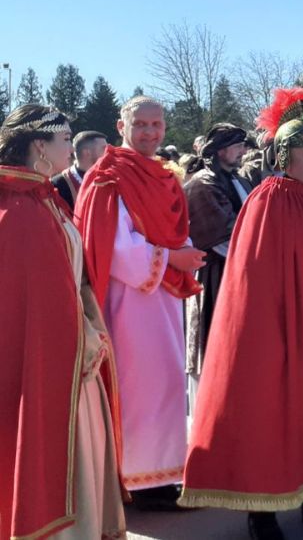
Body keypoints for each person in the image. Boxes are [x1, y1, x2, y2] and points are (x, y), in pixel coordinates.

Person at [180, 93, 303, 538]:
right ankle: (261, 513)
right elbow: (254, 281)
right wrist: (274, 336)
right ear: (285, 157)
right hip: (282, 337)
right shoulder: (269, 202)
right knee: (271, 418)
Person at [74, 96, 205, 510]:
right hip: (129, 302)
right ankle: (140, 483)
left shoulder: (162, 174)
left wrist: (183, 252)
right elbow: (115, 248)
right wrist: (173, 259)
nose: (150, 133)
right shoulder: (107, 177)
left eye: (157, 124)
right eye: (141, 125)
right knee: (139, 389)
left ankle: (166, 476)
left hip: (163, 298)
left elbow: (171, 226)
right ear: (121, 125)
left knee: (167, 385)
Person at [1, 106, 124, 540]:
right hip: (60, 359)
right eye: (65, 138)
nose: (71, 147)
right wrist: (86, 340)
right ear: (39, 146)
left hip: (74, 348)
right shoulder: (21, 209)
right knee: (60, 455)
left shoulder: (39, 199)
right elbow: (41, 299)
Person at [183, 123, 252, 389]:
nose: (242, 151)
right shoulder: (203, 183)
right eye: (236, 146)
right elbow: (223, 234)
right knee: (214, 343)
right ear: (220, 150)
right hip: (216, 276)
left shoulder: (239, 178)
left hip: (243, 270)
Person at [51, 130, 107, 210]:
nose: (108, 153)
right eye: (104, 149)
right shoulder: (59, 184)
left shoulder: (110, 178)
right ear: (87, 152)